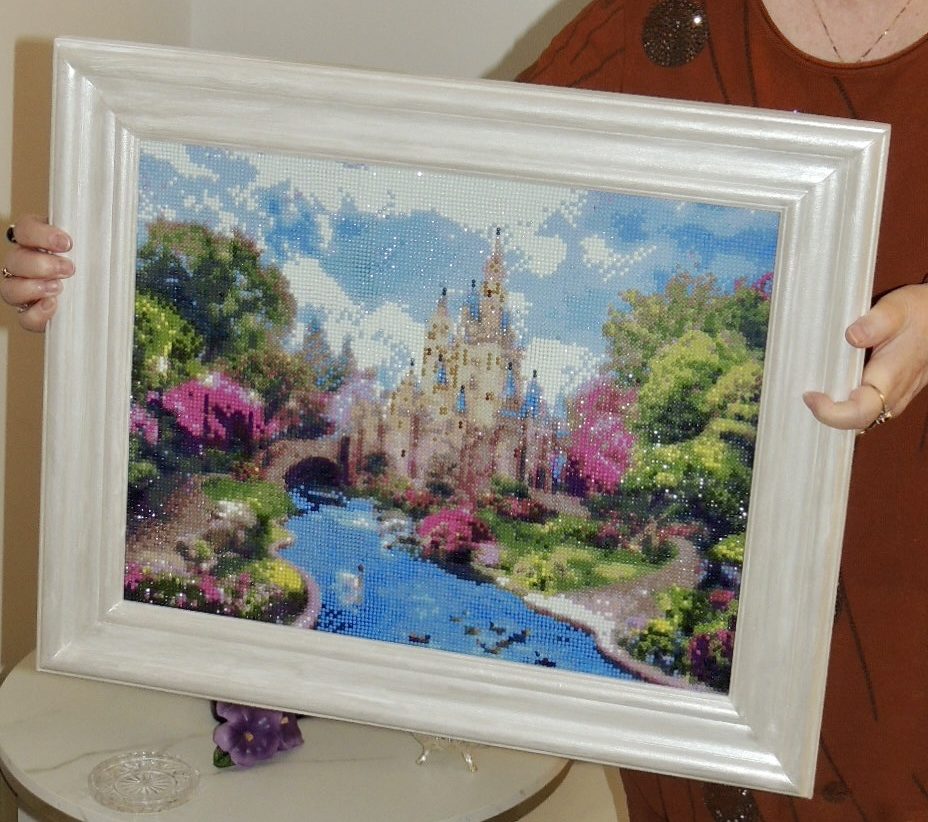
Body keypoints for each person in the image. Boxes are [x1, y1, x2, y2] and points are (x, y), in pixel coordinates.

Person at [3, 0, 927, 817]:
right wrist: (94, 274)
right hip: (718, 713)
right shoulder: (657, 22)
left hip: (894, 582)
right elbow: (474, 156)